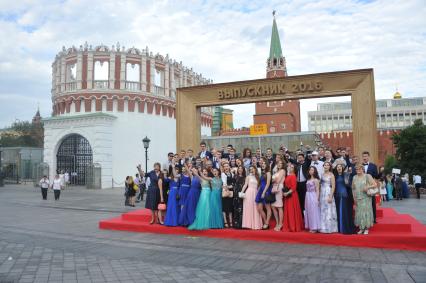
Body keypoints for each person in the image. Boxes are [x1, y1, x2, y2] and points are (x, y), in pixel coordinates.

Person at [352, 163, 376, 234]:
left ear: (363, 169)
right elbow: (353, 188)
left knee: (365, 213)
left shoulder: (367, 176)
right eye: (356, 169)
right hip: (358, 197)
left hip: (366, 197)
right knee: (359, 213)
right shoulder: (354, 177)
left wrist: (367, 187)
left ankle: (366, 228)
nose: (358, 170)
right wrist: (354, 198)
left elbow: (374, 184)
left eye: (359, 169)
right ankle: (361, 228)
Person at [334, 163, 355, 234]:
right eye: (337, 167)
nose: (339, 168)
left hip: (344, 195)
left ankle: (345, 228)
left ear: (342, 168)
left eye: (340, 167)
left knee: (344, 212)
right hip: (337, 196)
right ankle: (339, 228)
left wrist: (347, 183)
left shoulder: (346, 175)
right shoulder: (335, 176)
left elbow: (350, 185)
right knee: (338, 212)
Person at [283, 163, 304, 232]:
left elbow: (294, 187)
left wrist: (287, 193)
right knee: (288, 210)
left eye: (292, 167)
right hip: (287, 194)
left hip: (292, 195)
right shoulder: (288, 175)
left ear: (294, 169)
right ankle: (289, 225)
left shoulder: (293, 176)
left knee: (292, 210)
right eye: (290, 167)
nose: (290, 168)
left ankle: (293, 226)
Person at [241, 165, 263, 230]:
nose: (251, 170)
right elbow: (245, 185)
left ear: (255, 169)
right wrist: (242, 192)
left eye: (252, 168)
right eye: (250, 169)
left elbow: (259, 187)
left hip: (256, 193)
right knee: (248, 208)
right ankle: (248, 225)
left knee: (256, 209)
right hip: (249, 193)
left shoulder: (258, 177)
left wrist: (259, 194)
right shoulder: (248, 177)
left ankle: (256, 225)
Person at [319, 162, 338, 233]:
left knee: (329, 209)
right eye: (325, 165)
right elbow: (320, 185)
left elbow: (333, 186)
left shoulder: (331, 175)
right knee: (323, 209)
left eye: (328, 165)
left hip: (328, 192)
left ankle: (330, 228)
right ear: (323, 166)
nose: (326, 166)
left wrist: (331, 196)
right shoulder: (321, 174)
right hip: (322, 193)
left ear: (330, 167)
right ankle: (323, 227)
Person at [255, 158, 272, 229]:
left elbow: (268, 184)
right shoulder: (263, 173)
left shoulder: (268, 173)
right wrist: (258, 191)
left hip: (266, 191)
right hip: (260, 191)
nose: (263, 165)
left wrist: (264, 192)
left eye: (265, 164)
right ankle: (265, 222)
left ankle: (267, 223)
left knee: (268, 208)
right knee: (259, 208)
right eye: (262, 164)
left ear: (267, 165)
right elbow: (260, 183)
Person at [362, 151, 378, 223]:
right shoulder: (360, 165)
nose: (364, 157)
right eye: (363, 156)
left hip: (370, 187)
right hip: (362, 187)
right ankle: (364, 218)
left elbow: (376, 176)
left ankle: (374, 219)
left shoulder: (373, 166)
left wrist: (381, 173)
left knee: (372, 203)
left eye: (366, 156)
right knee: (363, 204)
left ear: (368, 157)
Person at [304, 166, 321, 233]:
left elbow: (317, 190)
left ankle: (315, 227)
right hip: (307, 196)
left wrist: (317, 199)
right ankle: (311, 226)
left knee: (314, 211)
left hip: (313, 195)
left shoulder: (316, 180)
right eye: (310, 170)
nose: (311, 171)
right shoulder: (308, 179)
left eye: (312, 170)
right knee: (309, 211)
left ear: (315, 171)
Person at [270, 160, 285, 231]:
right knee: (273, 206)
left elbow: (278, 180)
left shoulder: (282, 171)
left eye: (281, 163)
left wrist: (273, 180)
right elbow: (272, 180)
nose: (279, 165)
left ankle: (280, 223)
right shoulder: (276, 172)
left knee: (279, 206)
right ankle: (277, 222)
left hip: (279, 188)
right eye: (278, 163)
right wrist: (273, 180)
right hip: (274, 188)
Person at [296, 153, 310, 218]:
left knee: (305, 199)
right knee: (299, 200)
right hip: (298, 184)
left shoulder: (306, 163)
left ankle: (306, 215)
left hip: (304, 183)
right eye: (298, 158)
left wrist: (308, 151)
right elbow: (291, 160)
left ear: (303, 158)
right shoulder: (297, 165)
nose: (299, 159)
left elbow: (308, 159)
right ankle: (301, 215)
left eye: (301, 157)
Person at [221, 162, 234, 228]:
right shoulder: (223, 174)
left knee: (230, 207)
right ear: (223, 168)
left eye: (227, 166)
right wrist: (229, 188)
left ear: (229, 167)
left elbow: (233, 182)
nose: (226, 167)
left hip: (231, 192)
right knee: (224, 207)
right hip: (225, 191)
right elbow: (224, 183)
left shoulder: (232, 174)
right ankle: (225, 221)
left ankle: (231, 221)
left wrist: (231, 187)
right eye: (225, 166)